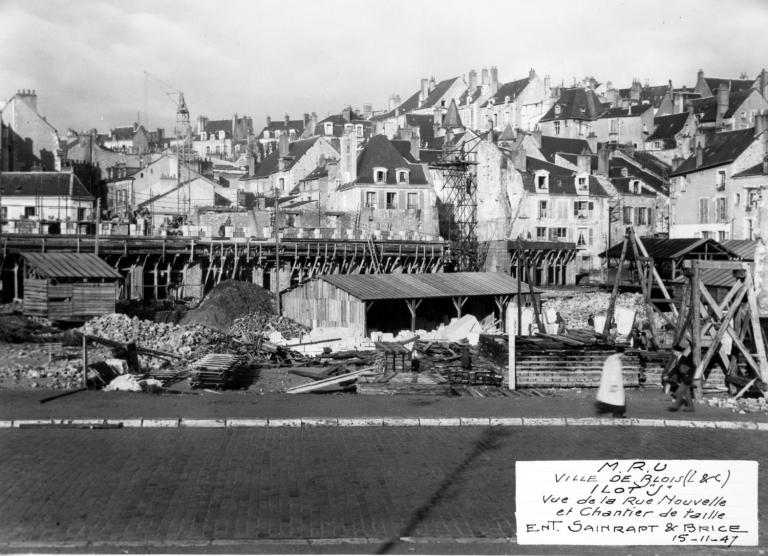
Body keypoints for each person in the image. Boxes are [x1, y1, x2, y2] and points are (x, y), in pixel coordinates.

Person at [596, 353, 626, 418]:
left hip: (612, 383)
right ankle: (617, 414)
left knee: (616, 399)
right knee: (618, 399)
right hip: (615, 384)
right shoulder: (616, 361)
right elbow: (615, 373)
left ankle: (616, 413)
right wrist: (614, 384)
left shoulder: (610, 359)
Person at [668, 343, 695, 412]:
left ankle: (675, 406)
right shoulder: (678, 359)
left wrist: (689, 374)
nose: (673, 352)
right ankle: (691, 407)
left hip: (687, 378)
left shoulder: (684, 359)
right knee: (687, 393)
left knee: (679, 393)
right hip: (684, 378)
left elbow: (693, 366)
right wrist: (669, 375)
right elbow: (676, 369)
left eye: (674, 351)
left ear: (677, 352)